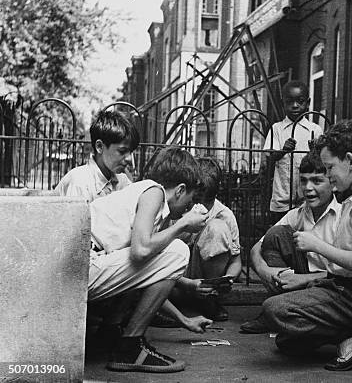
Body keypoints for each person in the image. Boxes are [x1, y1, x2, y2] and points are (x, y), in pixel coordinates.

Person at [262, 121, 352, 371]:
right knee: (288, 343)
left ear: (350, 161)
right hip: (339, 286)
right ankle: (351, 333)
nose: (329, 175)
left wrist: (317, 245)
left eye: (330, 167)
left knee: (274, 310)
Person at [88, 146, 211, 373]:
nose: (187, 209)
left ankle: (109, 333)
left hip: (85, 267)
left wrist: (184, 320)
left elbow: (145, 277)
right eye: (190, 200)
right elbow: (141, 251)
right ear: (181, 190)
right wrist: (183, 225)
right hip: (84, 266)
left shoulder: (148, 197)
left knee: (168, 251)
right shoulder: (154, 193)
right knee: (178, 251)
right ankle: (129, 347)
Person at [240, 151, 337, 334]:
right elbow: (255, 249)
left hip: (332, 286)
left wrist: (302, 279)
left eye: (317, 181)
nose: (308, 188)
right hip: (304, 281)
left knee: (288, 344)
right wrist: (265, 271)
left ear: (332, 183)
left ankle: (284, 312)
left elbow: (350, 274)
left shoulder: (343, 215)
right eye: (303, 180)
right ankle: (277, 309)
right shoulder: (300, 213)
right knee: (275, 234)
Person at [172, 156, 242, 322]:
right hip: (174, 280)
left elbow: (236, 260)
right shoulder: (175, 207)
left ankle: (209, 299)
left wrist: (228, 278)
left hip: (203, 281)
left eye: (208, 200)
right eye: (196, 199)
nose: (201, 204)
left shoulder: (224, 214)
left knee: (217, 228)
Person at [263, 80, 323, 223]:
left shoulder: (314, 129)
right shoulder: (276, 128)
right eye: (290, 102)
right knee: (282, 231)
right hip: (283, 196)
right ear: (283, 102)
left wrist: (315, 151)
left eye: (300, 101)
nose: (295, 105)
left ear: (308, 103)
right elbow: (270, 157)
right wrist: (283, 151)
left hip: (308, 196)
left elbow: (322, 163)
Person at [55, 110, 137, 202]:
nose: (129, 159)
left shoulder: (122, 181)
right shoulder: (80, 181)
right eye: (122, 151)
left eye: (131, 152)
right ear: (99, 147)